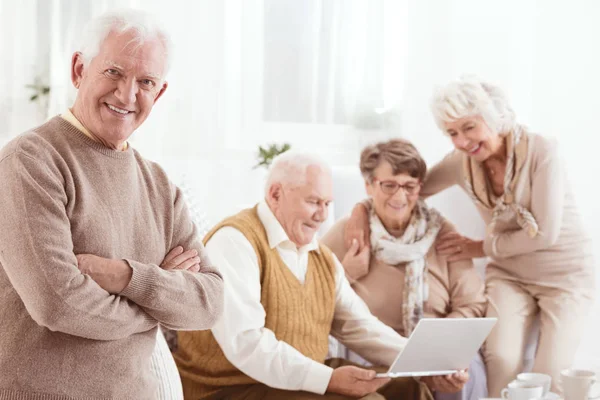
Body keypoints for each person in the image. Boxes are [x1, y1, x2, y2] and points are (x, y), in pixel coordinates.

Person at [0, 9, 224, 399]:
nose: (127, 95)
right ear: (78, 69)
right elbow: (56, 303)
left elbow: (210, 302)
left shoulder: (160, 186)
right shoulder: (30, 161)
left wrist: (127, 278)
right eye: (113, 72)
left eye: (146, 82)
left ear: (160, 92)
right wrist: (156, 305)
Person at [344, 76, 595, 396]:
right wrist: (359, 211)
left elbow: (545, 234)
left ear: (492, 117)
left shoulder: (542, 151)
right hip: (510, 274)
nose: (462, 141)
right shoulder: (461, 162)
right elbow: (408, 188)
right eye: (452, 133)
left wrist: (480, 247)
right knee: (501, 359)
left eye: (469, 127)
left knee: (551, 371)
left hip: (564, 274)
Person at [174, 151, 438, 399]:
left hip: (297, 375)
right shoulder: (234, 242)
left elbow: (359, 326)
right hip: (231, 387)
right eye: (313, 202)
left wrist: (428, 361)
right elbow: (247, 344)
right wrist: (329, 379)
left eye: (327, 204)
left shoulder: (321, 257)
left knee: (410, 389)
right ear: (276, 194)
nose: (322, 215)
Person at [321, 139, 488, 400]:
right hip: (372, 346)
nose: (399, 196)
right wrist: (348, 272)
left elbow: (473, 302)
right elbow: (312, 293)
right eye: (389, 185)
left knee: (468, 374)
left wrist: (444, 345)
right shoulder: (349, 231)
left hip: (436, 346)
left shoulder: (442, 231)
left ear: (420, 188)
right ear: (369, 185)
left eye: (409, 186)